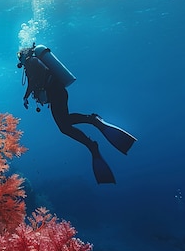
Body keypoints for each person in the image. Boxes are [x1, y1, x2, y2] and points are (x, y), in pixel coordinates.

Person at [17, 43, 137, 184]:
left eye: (20, 58)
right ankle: (91, 139)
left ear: (24, 55)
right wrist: (27, 96)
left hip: (56, 92)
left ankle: (92, 126)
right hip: (57, 93)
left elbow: (39, 77)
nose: (20, 62)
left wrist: (38, 90)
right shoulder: (31, 64)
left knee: (64, 125)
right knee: (65, 125)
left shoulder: (32, 61)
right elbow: (33, 82)